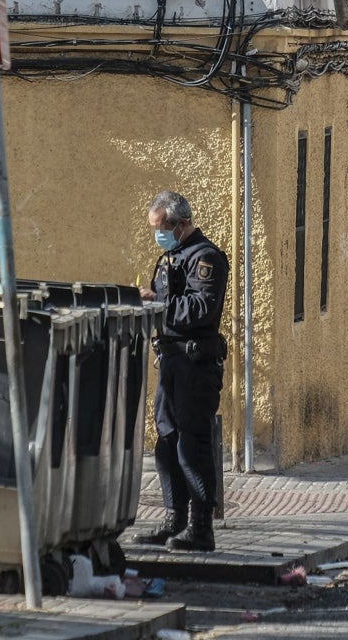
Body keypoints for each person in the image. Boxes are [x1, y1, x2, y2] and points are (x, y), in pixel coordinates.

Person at [133, 190, 229, 552]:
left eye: (161, 227)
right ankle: (175, 519)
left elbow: (200, 308)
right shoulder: (170, 258)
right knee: (168, 441)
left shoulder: (206, 258)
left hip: (195, 364)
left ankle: (201, 528)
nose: (158, 234)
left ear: (181, 224)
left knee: (193, 444)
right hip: (172, 361)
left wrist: (157, 302)